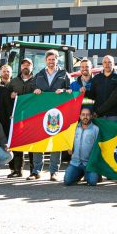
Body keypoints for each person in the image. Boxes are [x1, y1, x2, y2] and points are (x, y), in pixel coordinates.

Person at [30, 50, 71, 181]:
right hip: (41, 113)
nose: (51, 62)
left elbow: (71, 91)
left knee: (55, 141)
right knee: (38, 141)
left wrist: (64, 91)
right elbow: (31, 90)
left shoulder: (64, 75)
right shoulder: (39, 75)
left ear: (57, 60)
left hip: (57, 114)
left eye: (54, 59)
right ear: (45, 60)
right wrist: (34, 90)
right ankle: (36, 171)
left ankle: (54, 171)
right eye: (49, 59)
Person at [8, 58, 36, 177]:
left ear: (32, 67)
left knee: (32, 145)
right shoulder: (13, 82)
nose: (26, 66)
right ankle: (17, 170)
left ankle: (34, 171)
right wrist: (10, 95)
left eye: (28, 64)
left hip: (33, 117)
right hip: (17, 117)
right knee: (18, 144)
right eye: (23, 64)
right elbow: (6, 99)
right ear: (20, 67)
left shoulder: (37, 81)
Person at [63, 107, 101, 186]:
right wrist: (69, 147)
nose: (85, 117)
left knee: (92, 182)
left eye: (87, 115)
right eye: (83, 115)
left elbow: (98, 148)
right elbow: (68, 141)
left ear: (91, 116)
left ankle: (92, 174)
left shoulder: (96, 129)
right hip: (75, 162)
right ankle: (80, 174)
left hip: (89, 163)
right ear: (80, 116)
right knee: (67, 181)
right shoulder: (73, 128)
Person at [92, 55, 117, 121]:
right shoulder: (96, 78)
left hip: (115, 115)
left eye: (109, 62)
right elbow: (92, 95)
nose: (107, 64)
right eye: (105, 62)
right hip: (99, 115)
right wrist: (83, 92)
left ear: (113, 64)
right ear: (102, 64)